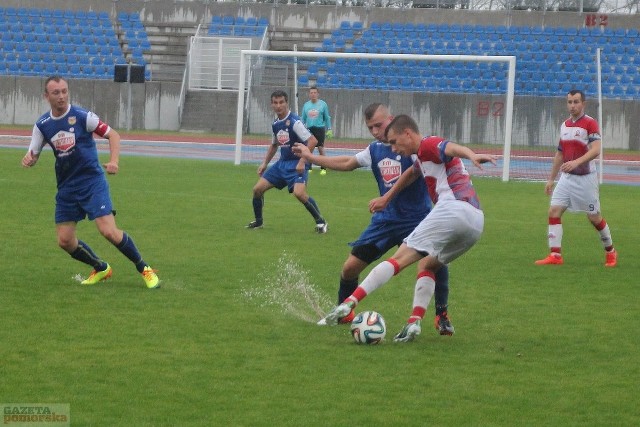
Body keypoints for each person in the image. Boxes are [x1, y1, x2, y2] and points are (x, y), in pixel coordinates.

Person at [319, 114, 497, 343]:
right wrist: (388, 197)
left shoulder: (428, 144)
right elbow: (412, 174)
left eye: (394, 142)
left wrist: (471, 154)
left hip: (453, 210)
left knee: (398, 259)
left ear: (407, 134)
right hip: (474, 222)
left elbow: (450, 147)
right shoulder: (421, 157)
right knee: (429, 264)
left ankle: (348, 304)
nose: (393, 149)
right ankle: (414, 323)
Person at [294, 103, 454, 335]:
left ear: (391, 119)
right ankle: (343, 312)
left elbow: (415, 173)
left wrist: (387, 197)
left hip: (417, 219)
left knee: (433, 263)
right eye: (371, 128)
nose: (376, 131)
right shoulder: (374, 150)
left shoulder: (412, 145)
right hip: (385, 221)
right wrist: (312, 157)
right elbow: (348, 163)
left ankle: (442, 315)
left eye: (379, 125)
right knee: (350, 268)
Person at [21, 75, 160, 289]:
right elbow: (34, 152)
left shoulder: (83, 116)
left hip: (92, 182)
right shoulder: (42, 125)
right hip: (67, 187)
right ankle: (100, 267)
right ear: (46, 96)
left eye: (65, 91)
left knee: (108, 231)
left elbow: (113, 135)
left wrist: (114, 161)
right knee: (65, 241)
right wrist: (30, 158)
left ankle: (144, 268)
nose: (62, 96)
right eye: (56, 93)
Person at [535, 89, 617, 267]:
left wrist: (576, 162)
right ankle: (555, 255)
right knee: (554, 211)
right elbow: (559, 155)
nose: (572, 105)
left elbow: (596, 149)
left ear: (583, 104)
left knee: (594, 218)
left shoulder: (590, 123)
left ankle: (610, 251)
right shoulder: (564, 125)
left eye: (576, 102)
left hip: (586, 178)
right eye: (570, 102)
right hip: (566, 178)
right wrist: (551, 179)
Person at [246, 90, 328, 233]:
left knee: (299, 194)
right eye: (275, 103)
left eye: (281, 102)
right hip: (282, 164)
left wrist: (303, 161)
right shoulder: (276, 124)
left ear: (286, 103)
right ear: (271, 104)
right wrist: (265, 163)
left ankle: (321, 222)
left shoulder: (294, 121)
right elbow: (274, 145)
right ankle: (259, 222)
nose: (279, 106)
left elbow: (313, 141)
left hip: (297, 163)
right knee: (257, 190)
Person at [300, 86, 332, 175]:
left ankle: (323, 167)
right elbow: (303, 118)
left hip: (320, 129)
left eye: (314, 93)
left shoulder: (323, 104)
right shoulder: (306, 105)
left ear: (318, 94)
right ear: (309, 94)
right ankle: (309, 167)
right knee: (309, 148)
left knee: (321, 148)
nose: (313, 94)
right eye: (311, 93)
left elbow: (327, 117)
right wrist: (301, 129)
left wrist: (329, 128)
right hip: (309, 129)